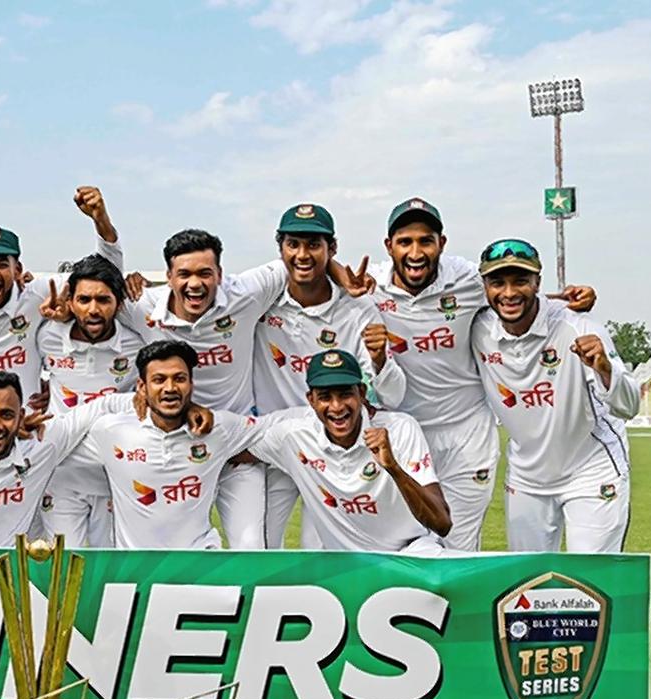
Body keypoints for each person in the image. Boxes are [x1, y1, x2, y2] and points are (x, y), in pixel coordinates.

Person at [119, 228, 373, 548]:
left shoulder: (246, 293)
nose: (195, 284)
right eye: (183, 274)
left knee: (252, 548)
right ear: (168, 276)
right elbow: (91, 296)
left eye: (205, 273)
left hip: (240, 448)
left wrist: (342, 278)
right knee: (170, 548)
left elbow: (302, 260)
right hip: (179, 448)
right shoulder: (141, 305)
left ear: (220, 275)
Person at [368, 198, 596, 551]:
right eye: (405, 242)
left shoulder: (465, 279)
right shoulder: (371, 288)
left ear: (441, 244)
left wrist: (565, 299)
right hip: (406, 435)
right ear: (389, 247)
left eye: (426, 241)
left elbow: (511, 293)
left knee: (458, 548)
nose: (416, 252)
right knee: (405, 546)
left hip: (466, 436)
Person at [0, 368, 208, 546]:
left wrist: (189, 407)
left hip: (11, 574)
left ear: (22, 416)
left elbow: (104, 406)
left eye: (7, 415)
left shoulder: (42, 443)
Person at [253, 204, 406, 548]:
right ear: (281, 249)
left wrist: (380, 360)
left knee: (324, 554)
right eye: (294, 244)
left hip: (331, 452)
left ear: (331, 248)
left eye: (314, 245)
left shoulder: (359, 309)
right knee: (258, 550)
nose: (302, 254)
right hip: (274, 447)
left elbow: (392, 397)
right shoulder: (263, 300)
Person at [469, 238, 637, 552]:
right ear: (484, 286)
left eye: (521, 281)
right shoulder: (478, 327)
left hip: (590, 470)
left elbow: (630, 406)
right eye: (497, 282)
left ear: (537, 282)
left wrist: (604, 369)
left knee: (591, 585)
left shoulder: (579, 327)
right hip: (527, 478)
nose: (508, 293)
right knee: (529, 586)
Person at [0, 186, 124, 414]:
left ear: (18, 269)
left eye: (2, 265)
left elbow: (105, 274)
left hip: (29, 432)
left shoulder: (40, 291)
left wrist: (101, 220)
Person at [72, 340, 279, 549]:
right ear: (142, 388)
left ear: (191, 384)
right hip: (136, 568)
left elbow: (274, 428)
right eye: (159, 380)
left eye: (179, 379)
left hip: (198, 563)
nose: (170, 388)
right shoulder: (111, 432)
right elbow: (57, 446)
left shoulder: (218, 428)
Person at [241, 349, 452, 553]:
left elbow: (442, 524)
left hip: (411, 553)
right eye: (325, 397)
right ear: (311, 400)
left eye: (345, 395)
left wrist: (393, 468)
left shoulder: (401, 429)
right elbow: (235, 449)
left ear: (361, 393)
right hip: (348, 564)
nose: (337, 406)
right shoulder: (293, 437)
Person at [35, 254, 144, 546]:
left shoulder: (137, 343)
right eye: (84, 300)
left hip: (114, 479)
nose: (93, 310)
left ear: (118, 304)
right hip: (60, 478)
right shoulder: (46, 336)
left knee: (107, 573)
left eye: (103, 300)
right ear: (70, 303)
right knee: (61, 566)